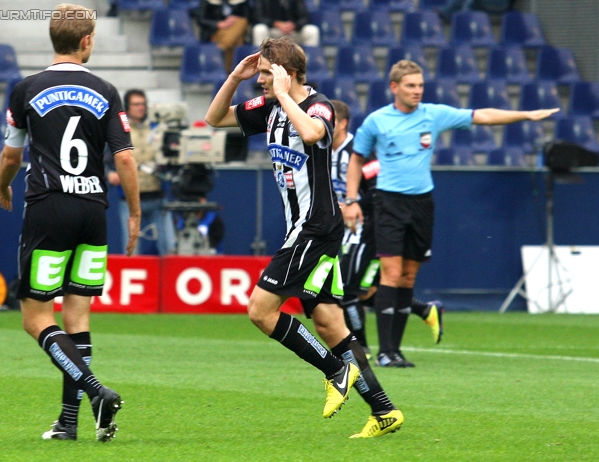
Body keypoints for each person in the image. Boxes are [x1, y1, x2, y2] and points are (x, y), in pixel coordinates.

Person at [205, 37, 403, 438]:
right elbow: (215, 118)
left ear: (287, 72)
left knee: (261, 310)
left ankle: (335, 371)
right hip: (307, 228)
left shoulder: (318, 105)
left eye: (265, 73)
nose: (259, 81)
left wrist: (281, 94)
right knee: (330, 323)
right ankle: (383, 410)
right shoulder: (270, 107)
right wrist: (234, 76)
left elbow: (313, 134)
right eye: (258, 73)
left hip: (315, 227)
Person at [343, 60, 559, 368]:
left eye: (420, 85)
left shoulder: (433, 114)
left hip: (422, 204)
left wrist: (525, 114)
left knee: (408, 277)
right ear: (394, 87)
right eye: (410, 85)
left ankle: (396, 350)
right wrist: (351, 199)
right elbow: (356, 160)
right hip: (388, 203)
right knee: (391, 273)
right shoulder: (377, 121)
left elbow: (481, 115)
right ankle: (385, 352)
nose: (417, 91)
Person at [0, 3, 141, 442]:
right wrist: (132, 211)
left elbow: (11, 155)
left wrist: (3, 186)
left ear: (52, 40)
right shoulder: (108, 90)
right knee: (78, 315)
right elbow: (125, 158)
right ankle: (69, 423)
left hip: (49, 207)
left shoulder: (25, 89)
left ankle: (96, 393)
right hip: (93, 211)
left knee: (36, 317)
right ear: (87, 41)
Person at [329, 99, 444, 367]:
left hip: (367, 229)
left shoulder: (359, 153)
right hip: (339, 231)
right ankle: (424, 309)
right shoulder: (324, 150)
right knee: (366, 289)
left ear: (343, 123)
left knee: (350, 290)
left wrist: (351, 205)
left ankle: (363, 347)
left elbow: (378, 189)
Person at [105, 89, 176, 256]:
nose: (141, 107)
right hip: (129, 198)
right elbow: (105, 161)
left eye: (143, 104)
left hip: (157, 196)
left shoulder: (158, 128)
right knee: (130, 247)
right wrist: (110, 174)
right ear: (127, 107)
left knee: (168, 247)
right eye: (136, 104)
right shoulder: (120, 129)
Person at [195, 0, 251, 72]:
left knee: (242, 22)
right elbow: (200, 19)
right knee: (235, 42)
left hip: (234, 30)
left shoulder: (241, 2)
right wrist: (219, 24)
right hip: (215, 32)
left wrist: (233, 19)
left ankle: (223, 47)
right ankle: (229, 72)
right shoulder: (207, 1)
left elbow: (248, 18)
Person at [251, 0, 320, 47]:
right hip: (272, 31)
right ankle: (259, 62)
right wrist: (276, 24)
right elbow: (258, 17)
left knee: (312, 31)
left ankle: (311, 64)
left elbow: (305, 18)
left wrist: (294, 25)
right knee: (259, 29)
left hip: (292, 32)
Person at [438, 0, 513, 23]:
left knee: (468, 2)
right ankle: (445, 13)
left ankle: (444, 13)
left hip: (500, 6)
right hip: (488, 6)